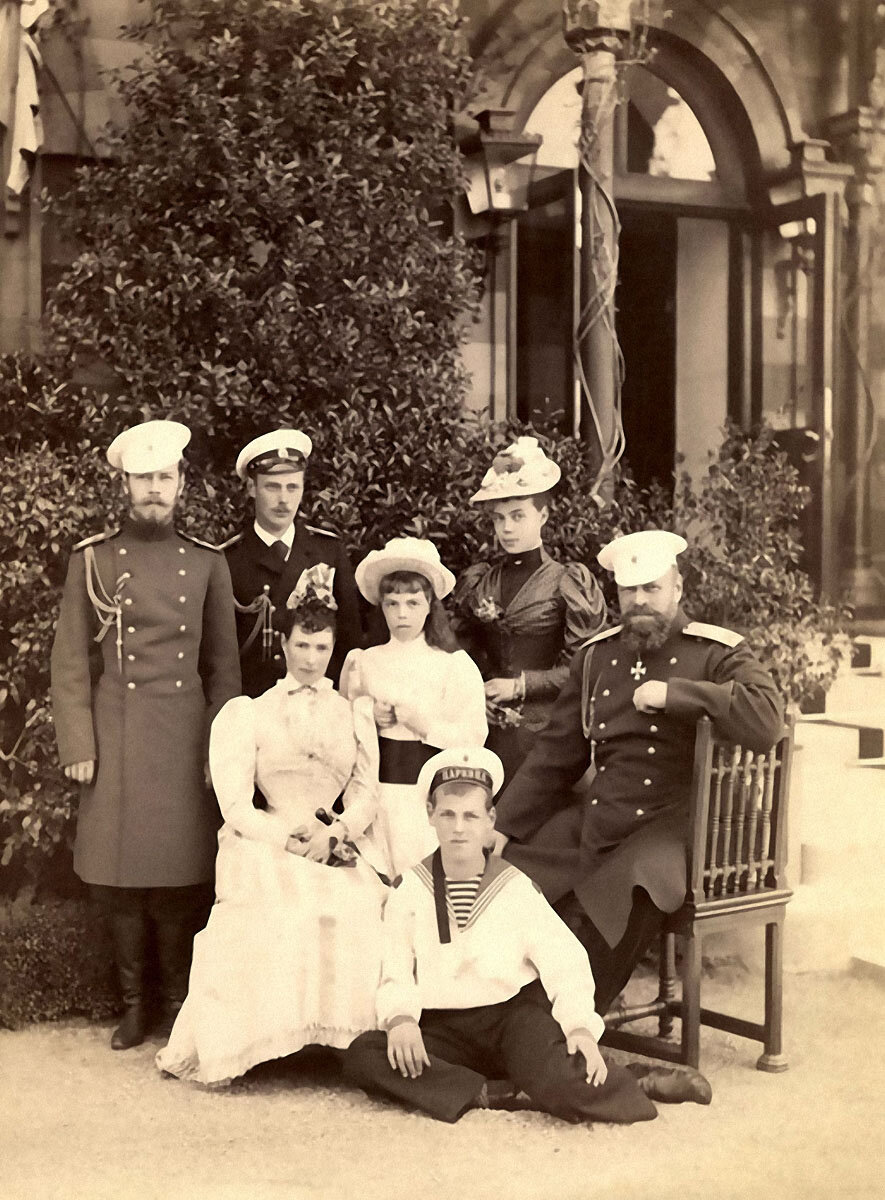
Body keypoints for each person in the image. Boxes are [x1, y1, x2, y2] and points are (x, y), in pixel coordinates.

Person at [492, 529, 785, 1026]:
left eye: (652, 587)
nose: (641, 601)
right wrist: (503, 824)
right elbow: (557, 754)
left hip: (683, 824)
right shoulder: (596, 656)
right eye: (630, 590)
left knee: (630, 887)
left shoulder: (715, 651)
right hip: (606, 813)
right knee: (512, 875)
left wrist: (677, 695)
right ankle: (490, 1015)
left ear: (677, 587)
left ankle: (559, 1028)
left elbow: (767, 718)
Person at [345, 747, 705, 1125]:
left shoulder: (513, 886)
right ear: (430, 815)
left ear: (490, 820)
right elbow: (396, 969)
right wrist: (401, 1019)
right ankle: (495, 1092)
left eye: (471, 816)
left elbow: (564, 960)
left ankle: (632, 1079)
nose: (459, 828)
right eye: (448, 815)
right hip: (445, 1027)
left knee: (566, 1080)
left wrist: (579, 1027)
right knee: (364, 1055)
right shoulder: (410, 890)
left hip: (512, 1020)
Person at [50, 419, 241, 1051]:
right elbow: (70, 660)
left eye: (164, 477)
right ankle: (134, 1007)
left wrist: (221, 750)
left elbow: (224, 669)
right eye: (143, 479)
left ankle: (178, 1004)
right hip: (119, 733)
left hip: (183, 734)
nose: (154, 489)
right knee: (120, 876)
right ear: (125, 486)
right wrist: (79, 744)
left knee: (181, 873)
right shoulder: (94, 559)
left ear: (181, 483)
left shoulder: (207, 562)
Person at [157, 573, 386, 1086]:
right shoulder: (251, 713)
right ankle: (258, 1042)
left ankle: (339, 1040)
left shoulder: (352, 714)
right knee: (273, 903)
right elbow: (236, 805)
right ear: (283, 644)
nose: (310, 658)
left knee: (356, 902)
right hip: (268, 837)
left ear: (333, 648)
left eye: (321, 647)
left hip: (331, 838)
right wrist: (285, 840)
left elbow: (366, 795)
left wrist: (336, 834)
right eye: (301, 645)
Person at [454, 437, 607, 782]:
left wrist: (521, 686)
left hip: (546, 731)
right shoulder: (480, 581)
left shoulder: (568, 582)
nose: (507, 528)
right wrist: (476, 693)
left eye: (518, 516)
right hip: (483, 728)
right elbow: (458, 654)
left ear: (543, 515)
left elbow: (587, 667)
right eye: (499, 519)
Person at [341, 537, 487, 878]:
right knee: (373, 881)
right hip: (374, 796)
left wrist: (425, 726)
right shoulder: (364, 662)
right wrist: (366, 714)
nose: (402, 613)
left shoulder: (453, 665)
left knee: (422, 883)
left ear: (430, 604)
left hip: (425, 801)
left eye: (412, 602)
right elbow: (339, 730)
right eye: (392, 604)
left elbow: (474, 739)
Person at [223, 428, 362, 694]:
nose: (283, 500)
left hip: (319, 699)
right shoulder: (228, 559)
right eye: (272, 487)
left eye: (292, 487)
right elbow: (219, 653)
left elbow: (349, 640)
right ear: (252, 488)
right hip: (254, 702)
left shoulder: (328, 551)